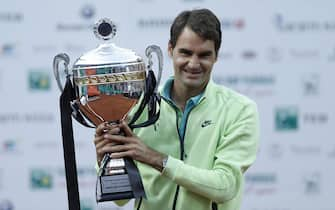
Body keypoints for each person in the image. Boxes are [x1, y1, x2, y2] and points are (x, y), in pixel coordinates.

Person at [94, 8, 259, 210]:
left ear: (216, 56)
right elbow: (121, 199)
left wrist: (156, 159)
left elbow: (225, 187)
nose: (194, 63)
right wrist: (105, 159)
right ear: (170, 50)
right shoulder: (137, 107)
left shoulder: (240, 110)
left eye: (204, 55)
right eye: (186, 53)